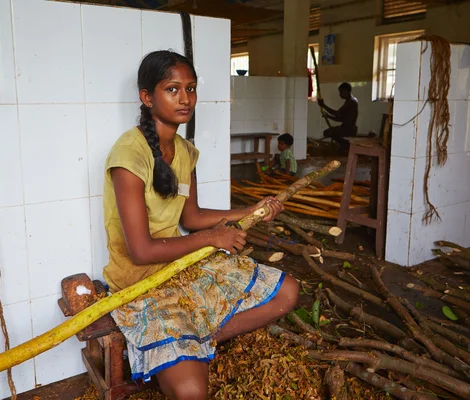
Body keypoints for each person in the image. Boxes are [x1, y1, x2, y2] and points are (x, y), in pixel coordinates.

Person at [102, 50, 300, 400]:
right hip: (141, 280)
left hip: (182, 265)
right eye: (172, 89)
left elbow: (191, 218)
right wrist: (213, 238)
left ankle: (190, 340)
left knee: (287, 292)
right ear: (147, 97)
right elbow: (142, 250)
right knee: (193, 392)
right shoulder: (128, 157)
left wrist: (250, 209)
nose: (185, 98)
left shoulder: (184, 151)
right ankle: (176, 346)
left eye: (190, 89)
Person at [318, 82, 358, 152]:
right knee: (327, 132)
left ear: (346, 91)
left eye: (341, 91)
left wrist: (323, 105)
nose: (340, 94)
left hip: (349, 130)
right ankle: (344, 146)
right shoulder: (351, 100)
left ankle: (346, 145)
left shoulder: (351, 102)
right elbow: (341, 118)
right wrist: (328, 116)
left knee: (329, 132)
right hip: (347, 128)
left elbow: (337, 113)